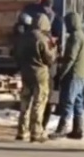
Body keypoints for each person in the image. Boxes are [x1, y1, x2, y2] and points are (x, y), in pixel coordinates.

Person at [14, 13, 56, 142]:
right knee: (39, 102)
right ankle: (36, 132)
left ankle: (22, 130)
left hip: (26, 74)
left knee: (25, 102)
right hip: (40, 75)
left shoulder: (23, 37)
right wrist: (54, 48)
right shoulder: (42, 39)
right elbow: (50, 58)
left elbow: (16, 55)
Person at [52, 12, 84, 140]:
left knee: (68, 101)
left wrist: (61, 73)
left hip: (73, 74)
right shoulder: (82, 35)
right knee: (78, 102)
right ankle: (78, 129)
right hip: (81, 74)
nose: (66, 26)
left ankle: (62, 129)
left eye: (67, 23)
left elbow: (71, 58)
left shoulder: (75, 37)